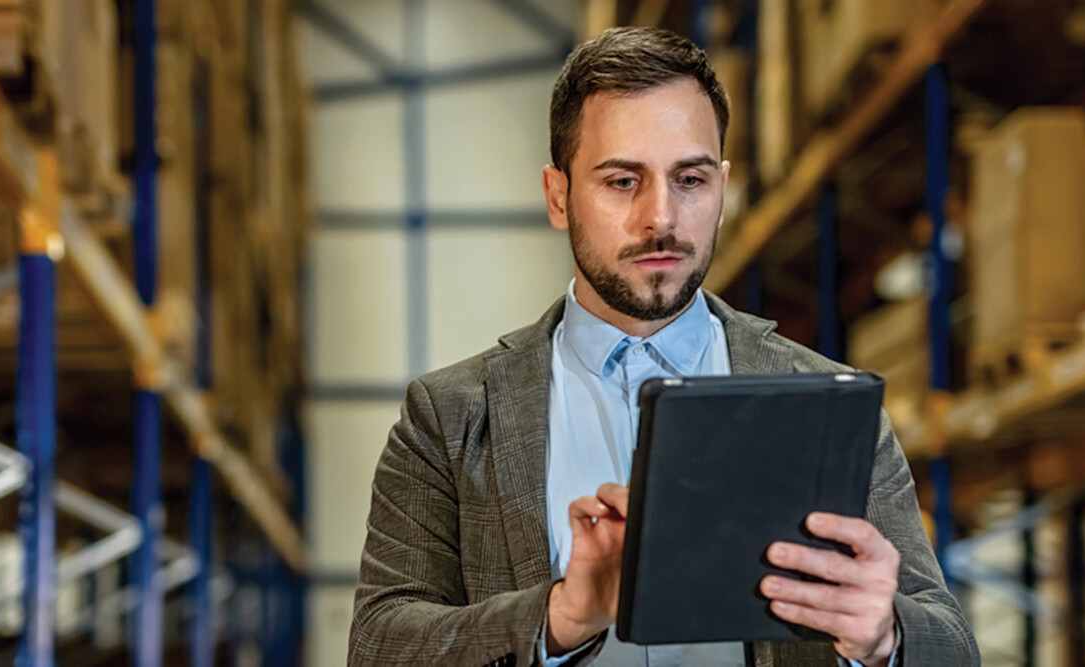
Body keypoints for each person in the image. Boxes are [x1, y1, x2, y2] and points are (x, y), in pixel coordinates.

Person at [347, 27, 977, 667]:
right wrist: (559, 618)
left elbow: (952, 645)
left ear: (722, 190)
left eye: (691, 179)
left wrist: (884, 636)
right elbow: (378, 645)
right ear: (559, 197)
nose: (662, 218)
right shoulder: (449, 417)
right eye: (623, 181)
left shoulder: (831, 408)